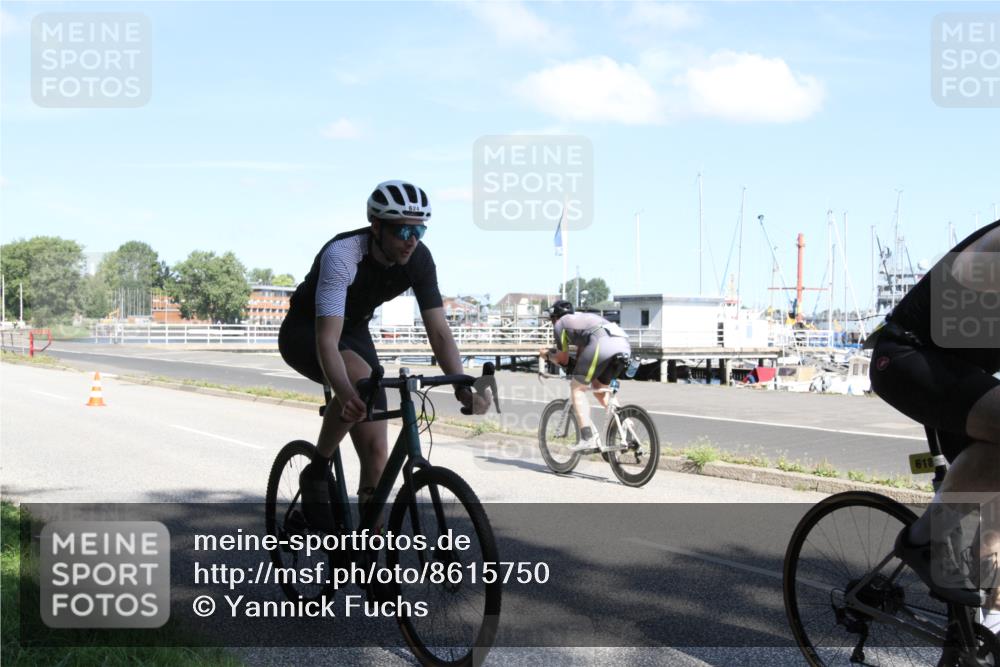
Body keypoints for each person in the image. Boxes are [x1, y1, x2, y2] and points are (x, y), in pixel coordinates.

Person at [278, 180, 488, 532]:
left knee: (377, 452)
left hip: (355, 330)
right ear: (376, 226)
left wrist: (462, 385)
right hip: (307, 329)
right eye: (403, 230)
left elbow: (438, 331)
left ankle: (369, 552)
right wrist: (345, 392)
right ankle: (317, 470)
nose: (412, 239)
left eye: (419, 230)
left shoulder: (419, 259)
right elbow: (327, 340)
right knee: (360, 382)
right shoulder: (342, 255)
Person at [868, 218, 1000, 612]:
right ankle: (925, 539)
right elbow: (970, 271)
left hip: (959, 376)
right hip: (907, 358)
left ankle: (978, 625)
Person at [540, 300, 631, 452]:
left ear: (554, 317)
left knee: (577, 388)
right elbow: (583, 355)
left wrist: (547, 355)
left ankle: (588, 438)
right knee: (600, 390)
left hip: (601, 344)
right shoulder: (583, 320)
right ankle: (626, 425)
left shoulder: (560, 324)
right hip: (623, 345)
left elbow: (563, 359)